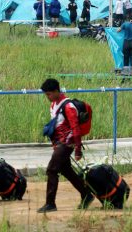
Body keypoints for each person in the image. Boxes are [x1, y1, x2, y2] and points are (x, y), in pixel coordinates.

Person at [37, 79, 94, 213]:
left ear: (57, 91)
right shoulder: (53, 105)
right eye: (46, 95)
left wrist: (78, 150)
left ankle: (50, 203)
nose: (48, 97)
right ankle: (87, 194)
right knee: (66, 171)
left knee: (51, 170)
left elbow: (75, 128)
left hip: (67, 144)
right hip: (58, 144)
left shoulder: (68, 107)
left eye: (49, 94)